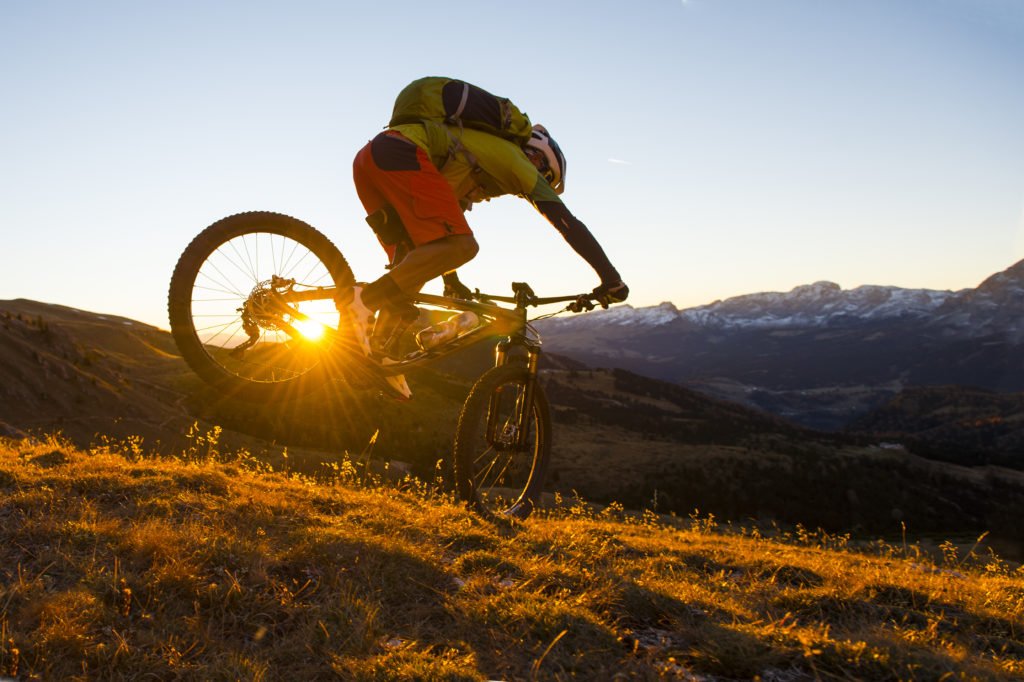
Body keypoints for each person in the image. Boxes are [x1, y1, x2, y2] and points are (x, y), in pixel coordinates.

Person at [345, 80, 629, 399]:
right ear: (537, 157)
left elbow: (436, 241)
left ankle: (380, 356)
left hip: (373, 158)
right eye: (545, 175)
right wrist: (611, 279)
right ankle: (363, 301)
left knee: (410, 272)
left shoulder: (467, 157)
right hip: (401, 153)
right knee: (465, 247)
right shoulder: (515, 162)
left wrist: (451, 281)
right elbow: (567, 224)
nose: (540, 183)